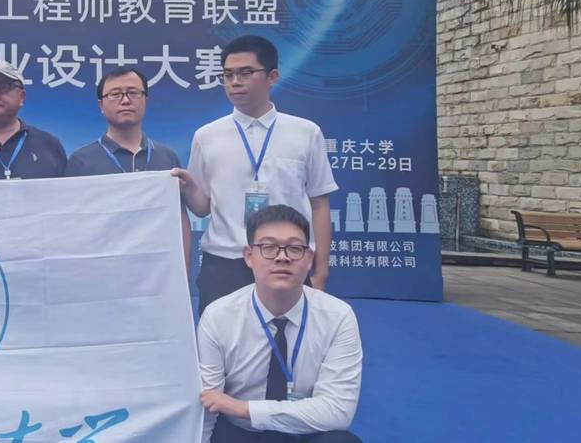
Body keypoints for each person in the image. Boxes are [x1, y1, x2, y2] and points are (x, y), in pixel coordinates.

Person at [173, 35, 337, 310]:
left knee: (289, 336)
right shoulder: (207, 135)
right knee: (219, 337)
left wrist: (320, 273)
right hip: (224, 264)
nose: (235, 82)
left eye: (246, 73)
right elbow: (202, 209)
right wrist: (188, 187)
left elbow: (319, 204)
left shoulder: (306, 132)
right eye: (228, 75)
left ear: (272, 77)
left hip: (286, 261)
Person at [197, 205, 362, 443]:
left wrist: (245, 409)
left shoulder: (338, 316)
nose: (282, 257)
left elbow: (337, 411)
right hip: (240, 433)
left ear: (309, 258)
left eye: (294, 248)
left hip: (304, 432)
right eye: (269, 247)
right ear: (248, 256)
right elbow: (207, 403)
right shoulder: (218, 316)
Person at [66, 66, 192, 265]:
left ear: (145, 100)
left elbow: (180, 220)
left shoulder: (167, 158)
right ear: (101, 105)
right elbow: (71, 225)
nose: (125, 100)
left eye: (133, 93)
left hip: (158, 270)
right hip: (102, 269)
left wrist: (182, 271)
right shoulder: (81, 161)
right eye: (115, 94)